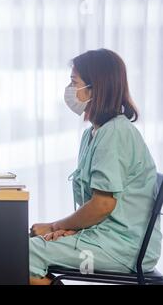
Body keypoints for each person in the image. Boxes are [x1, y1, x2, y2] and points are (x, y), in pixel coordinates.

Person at [29, 49, 161, 285]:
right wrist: (71, 231)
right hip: (104, 238)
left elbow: (103, 205)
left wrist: (54, 226)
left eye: (74, 82)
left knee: (23, 254)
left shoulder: (115, 133)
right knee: (28, 251)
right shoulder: (93, 134)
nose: (69, 90)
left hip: (122, 249)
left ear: (95, 87)